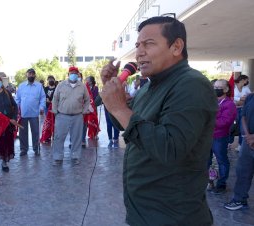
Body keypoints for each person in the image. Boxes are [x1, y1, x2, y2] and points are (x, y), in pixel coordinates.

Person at [100, 16, 216, 225]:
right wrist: (115, 102)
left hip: (172, 216)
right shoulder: (149, 87)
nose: (139, 52)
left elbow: (170, 148)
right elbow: (127, 125)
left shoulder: (191, 85)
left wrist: (119, 108)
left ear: (176, 46)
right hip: (144, 213)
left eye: (149, 44)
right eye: (138, 45)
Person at [51, 66, 90, 165]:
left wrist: (84, 110)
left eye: (75, 73)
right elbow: (55, 99)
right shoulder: (61, 85)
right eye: (71, 72)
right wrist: (55, 111)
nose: (73, 74)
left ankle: (75, 157)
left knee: (76, 138)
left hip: (77, 116)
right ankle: (58, 158)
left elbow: (87, 99)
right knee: (59, 137)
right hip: (62, 115)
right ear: (68, 74)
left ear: (78, 74)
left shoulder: (82, 86)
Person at [224, 92, 254, 210]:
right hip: (248, 142)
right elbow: (243, 116)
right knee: (243, 172)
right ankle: (239, 199)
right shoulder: (250, 97)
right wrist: (248, 136)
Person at [207, 79, 236, 194]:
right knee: (205, 160)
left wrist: (208, 121)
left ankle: (221, 184)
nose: (216, 89)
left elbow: (225, 122)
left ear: (226, 89)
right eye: (214, 87)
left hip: (219, 137)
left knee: (222, 160)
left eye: (219, 87)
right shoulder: (210, 101)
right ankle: (209, 181)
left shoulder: (229, 104)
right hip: (206, 137)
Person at [15, 68, 46, 156]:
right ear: (26, 75)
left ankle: (36, 149)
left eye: (33, 74)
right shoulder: (21, 86)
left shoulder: (39, 86)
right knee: (22, 133)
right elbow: (17, 99)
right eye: (29, 74)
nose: (31, 75)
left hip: (35, 113)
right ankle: (23, 149)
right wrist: (17, 110)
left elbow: (43, 98)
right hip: (23, 114)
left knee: (35, 132)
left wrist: (42, 107)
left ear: (35, 75)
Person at [232, 74, 252, 151]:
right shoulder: (233, 87)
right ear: (242, 80)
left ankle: (240, 144)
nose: (247, 81)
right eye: (246, 80)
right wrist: (240, 98)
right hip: (234, 109)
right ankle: (229, 141)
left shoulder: (246, 88)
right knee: (232, 126)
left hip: (242, 109)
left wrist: (241, 100)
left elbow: (250, 97)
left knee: (242, 127)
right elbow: (231, 97)